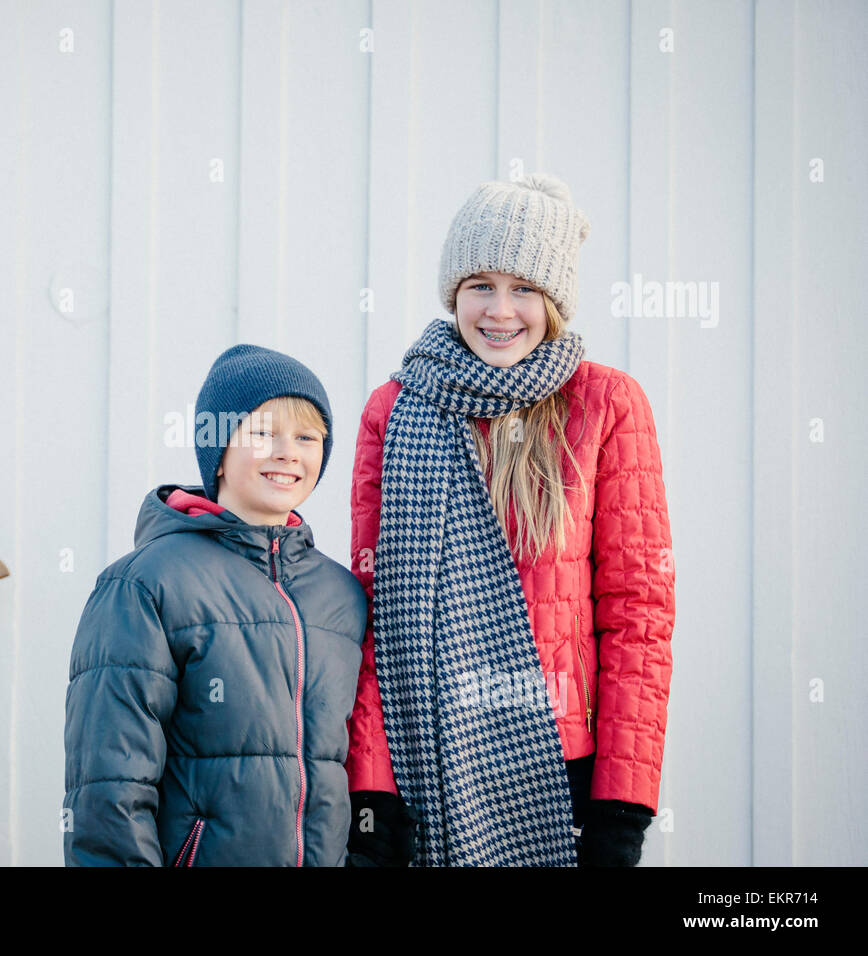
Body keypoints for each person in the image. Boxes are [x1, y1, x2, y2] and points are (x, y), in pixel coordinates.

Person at [346, 173, 675, 867]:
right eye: (480, 286)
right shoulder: (395, 409)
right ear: (453, 294)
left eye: (524, 287)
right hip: (425, 759)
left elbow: (638, 612)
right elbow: (373, 610)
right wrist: (371, 792)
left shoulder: (605, 405)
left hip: (560, 771)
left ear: (554, 300)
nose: (500, 311)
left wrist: (623, 803)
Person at [63, 345, 367, 865]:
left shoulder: (341, 595)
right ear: (218, 448)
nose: (288, 452)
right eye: (263, 433)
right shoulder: (146, 584)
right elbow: (109, 786)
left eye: (306, 437)